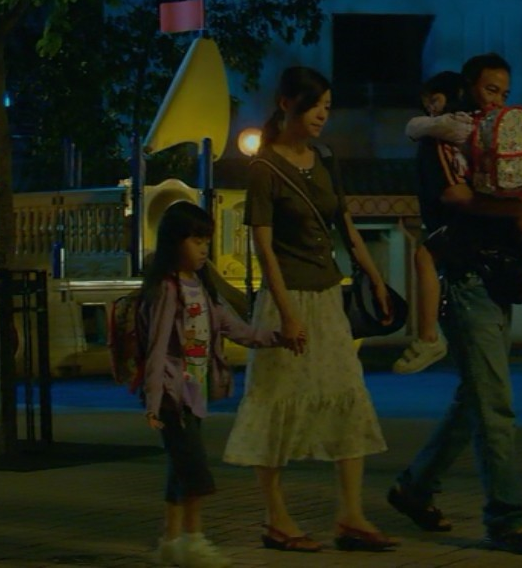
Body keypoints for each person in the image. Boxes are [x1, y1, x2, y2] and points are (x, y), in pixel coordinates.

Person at [223, 66, 398, 553]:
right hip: (287, 300)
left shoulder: (324, 157)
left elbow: (345, 223)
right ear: (287, 104)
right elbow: (264, 249)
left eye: (328, 106)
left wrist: (375, 278)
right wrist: (286, 314)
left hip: (327, 297)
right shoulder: (264, 168)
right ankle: (275, 518)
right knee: (274, 400)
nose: (323, 114)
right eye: (315, 104)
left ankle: (351, 516)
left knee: (347, 394)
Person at [387, 53, 522, 555]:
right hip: (465, 282)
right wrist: (511, 207)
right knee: (494, 406)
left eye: (504, 92)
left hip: (498, 282)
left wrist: (519, 204)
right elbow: (456, 197)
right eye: (489, 89)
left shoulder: (496, 139)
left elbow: (521, 202)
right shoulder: (443, 140)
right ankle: (506, 518)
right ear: (468, 88)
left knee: (475, 401)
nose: (497, 100)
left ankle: (414, 488)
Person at [141, 201, 282, 568]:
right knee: (195, 471)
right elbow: (156, 348)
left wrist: (277, 337)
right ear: (174, 242)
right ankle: (194, 540)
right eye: (196, 240)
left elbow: (236, 329)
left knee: (181, 469)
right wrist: (153, 402)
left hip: (195, 393)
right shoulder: (167, 289)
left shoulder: (202, 289)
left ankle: (171, 542)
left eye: (207, 241)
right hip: (172, 395)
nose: (204, 249)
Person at [393, 70, 522, 380]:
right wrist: (521, 207)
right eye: (492, 91)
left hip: (476, 236)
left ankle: (428, 336)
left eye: (434, 100)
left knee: (424, 256)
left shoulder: (453, 128)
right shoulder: (499, 130)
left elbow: (452, 191)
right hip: (510, 218)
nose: (431, 107)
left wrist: (421, 124)